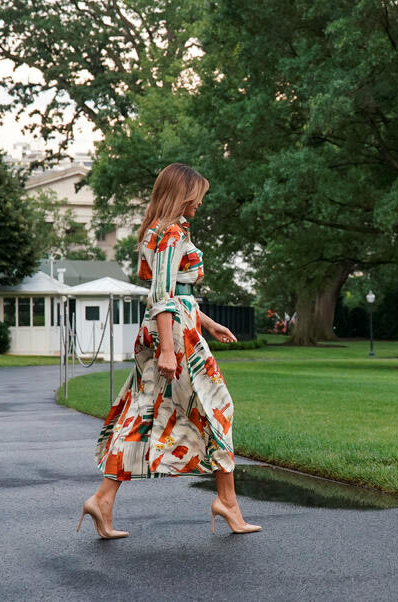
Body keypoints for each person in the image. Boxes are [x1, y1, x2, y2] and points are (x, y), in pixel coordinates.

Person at [78, 163, 261, 538]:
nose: (199, 204)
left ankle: (103, 500)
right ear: (182, 194)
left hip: (179, 325)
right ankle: (226, 501)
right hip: (174, 335)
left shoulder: (158, 231)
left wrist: (207, 322)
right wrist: (167, 349)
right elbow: (162, 295)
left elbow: (176, 292)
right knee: (217, 407)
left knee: (145, 413)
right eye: (196, 197)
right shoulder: (171, 232)